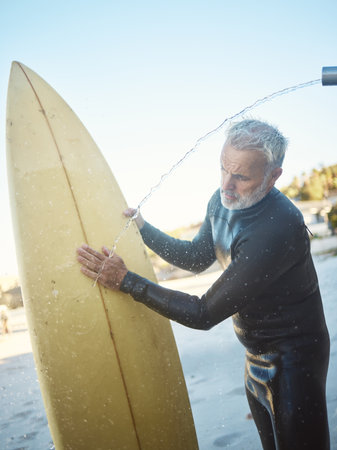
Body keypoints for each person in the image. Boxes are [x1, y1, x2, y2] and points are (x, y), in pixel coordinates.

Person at [77, 119, 330, 450]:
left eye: (240, 176)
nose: (226, 184)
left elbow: (203, 313)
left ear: (272, 177)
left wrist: (126, 281)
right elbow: (197, 257)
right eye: (223, 169)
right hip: (254, 355)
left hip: (295, 358)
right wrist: (143, 228)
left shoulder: (277, 228)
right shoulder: (222, 200)